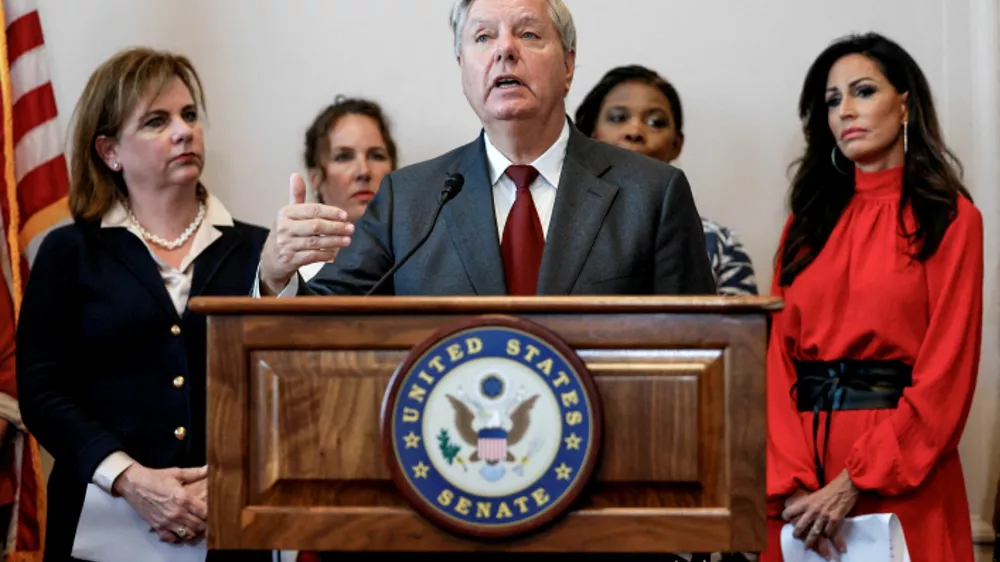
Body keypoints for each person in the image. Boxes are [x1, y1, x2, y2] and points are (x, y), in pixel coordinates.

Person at [254, 0, 715, 299]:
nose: (505, 51)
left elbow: (699, 348)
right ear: (462, 67)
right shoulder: (408, 200)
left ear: (569, 64)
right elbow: (326, 320)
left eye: (529, 34)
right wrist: (276, 276)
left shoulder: (652, 194)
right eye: (483, 37)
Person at [15, 47, 270, 561]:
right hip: (99, 530)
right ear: (109, 151)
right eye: (157, 121)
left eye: (189, 115)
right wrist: (129, 479)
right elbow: (43, 393)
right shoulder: (70, 252)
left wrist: (218, 487)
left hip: (230, 526)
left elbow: (281, 393)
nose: (183, 131)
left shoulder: (261, 252)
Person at [765, 32, 981, 561]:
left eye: (863, 91)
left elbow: (946, 375)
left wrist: (854, 481)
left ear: (905, 102)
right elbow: (773, 358)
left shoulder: (949, 218)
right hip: (802, 482)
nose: (845, 111)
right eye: (833, 100)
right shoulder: (805, 223)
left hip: (903, 476)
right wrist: (793, 485)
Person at [574, 65, 758, 297]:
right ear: (592, 134)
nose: (635, 131)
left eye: (655, 122)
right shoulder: (557, 228)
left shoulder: (718, 243)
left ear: (676, 144)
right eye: (618, 118)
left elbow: (740, 332)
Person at [298, 96, 398, 282]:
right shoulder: (292, 267)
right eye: (343, 157)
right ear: (316, 178)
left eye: (376, 156)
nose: (363, 171)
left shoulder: (421, 254)